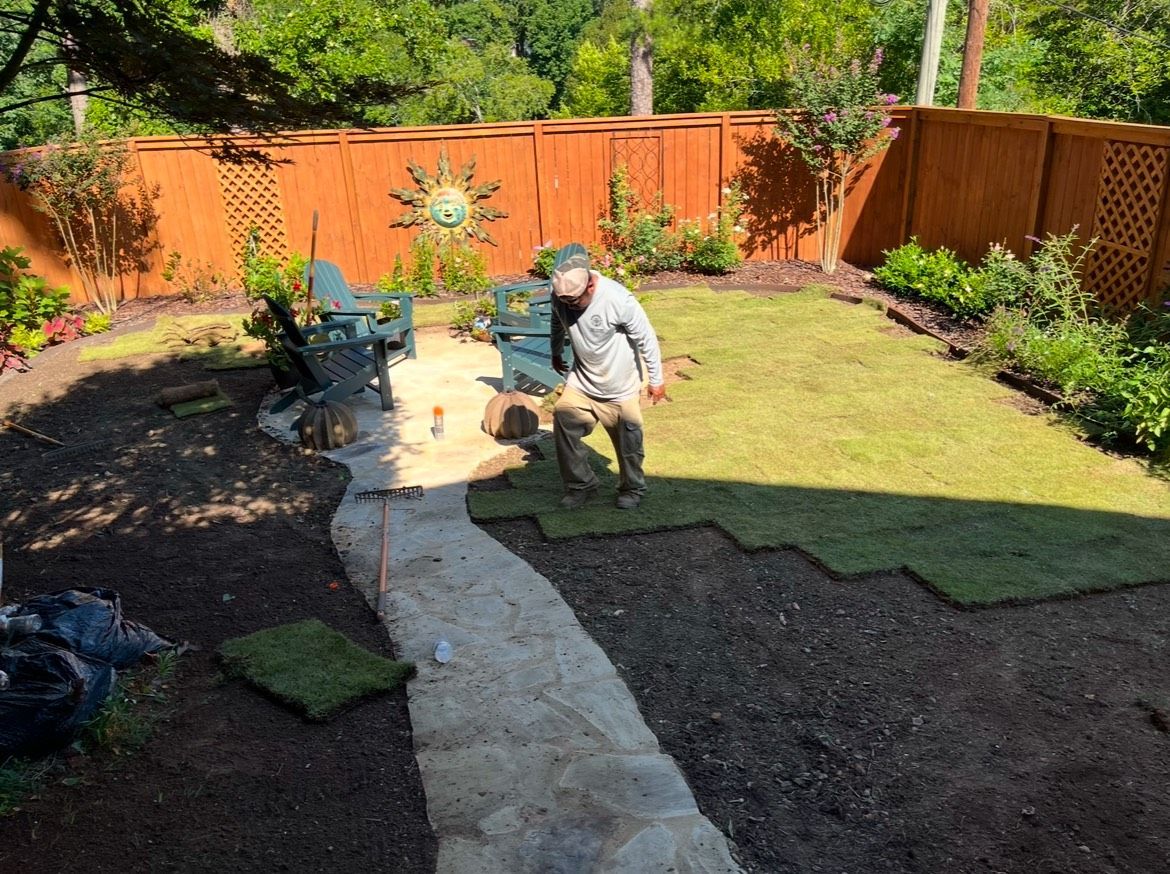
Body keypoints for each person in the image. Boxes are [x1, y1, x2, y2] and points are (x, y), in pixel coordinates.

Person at [549, 250, 667, 510]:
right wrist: (556, 350)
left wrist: (656, 380)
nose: (569, 306)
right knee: (563, 422)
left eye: (575, 300)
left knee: (629, 446)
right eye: (564, 301)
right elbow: (557, 323)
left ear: (590, 284)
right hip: (581, 382)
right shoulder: (561, 296)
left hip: (620, 388)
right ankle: (581, 485)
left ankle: (632, 489)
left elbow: (646, 338)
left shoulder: (617, 299)